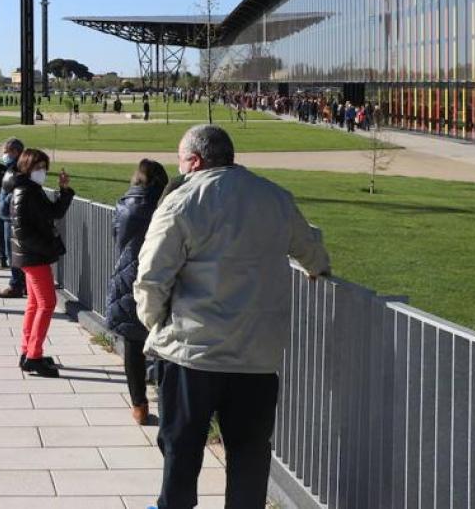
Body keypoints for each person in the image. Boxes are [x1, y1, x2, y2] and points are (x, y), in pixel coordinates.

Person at [135, 125, 331, 508]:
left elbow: (151, 277)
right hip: (255, 355)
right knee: (249, 452)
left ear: (194, 160)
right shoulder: (274, 197)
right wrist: (318, 268)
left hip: (193, 353)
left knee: (181, 445)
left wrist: (154, 322)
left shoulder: (182, 201)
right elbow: (310, 248)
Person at [106, 158, 169, 424]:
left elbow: (115, 235)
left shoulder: (123, 205)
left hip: (128, 275)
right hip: (158, 275)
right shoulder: (162, 207)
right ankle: (166, 401)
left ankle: (138, 404)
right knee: (164, 340)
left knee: (133, 342)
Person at [11, 148, 74, 378]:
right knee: (47, 303)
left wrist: (64, 190)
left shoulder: (31, 190)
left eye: (44, 168)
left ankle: (28, 351)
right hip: (33, 256)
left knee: (35, 304)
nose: (42, 172)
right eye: (38, 168)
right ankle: (33, 356)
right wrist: (47, 248)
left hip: (32, 255)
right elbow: (23, 231)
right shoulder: (25, 192)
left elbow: (53, 213)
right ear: (27, 168)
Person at [0, 137, 27, 298]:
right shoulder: (12, 167)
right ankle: (21, 284)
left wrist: (7, 200)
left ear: (15, 152)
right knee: (15, 253)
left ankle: (16, 284)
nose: (4, 155)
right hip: (9, 215)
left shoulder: (18, 169)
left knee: (14, 253)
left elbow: (18, 191)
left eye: (6, 152)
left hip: (13, 216)